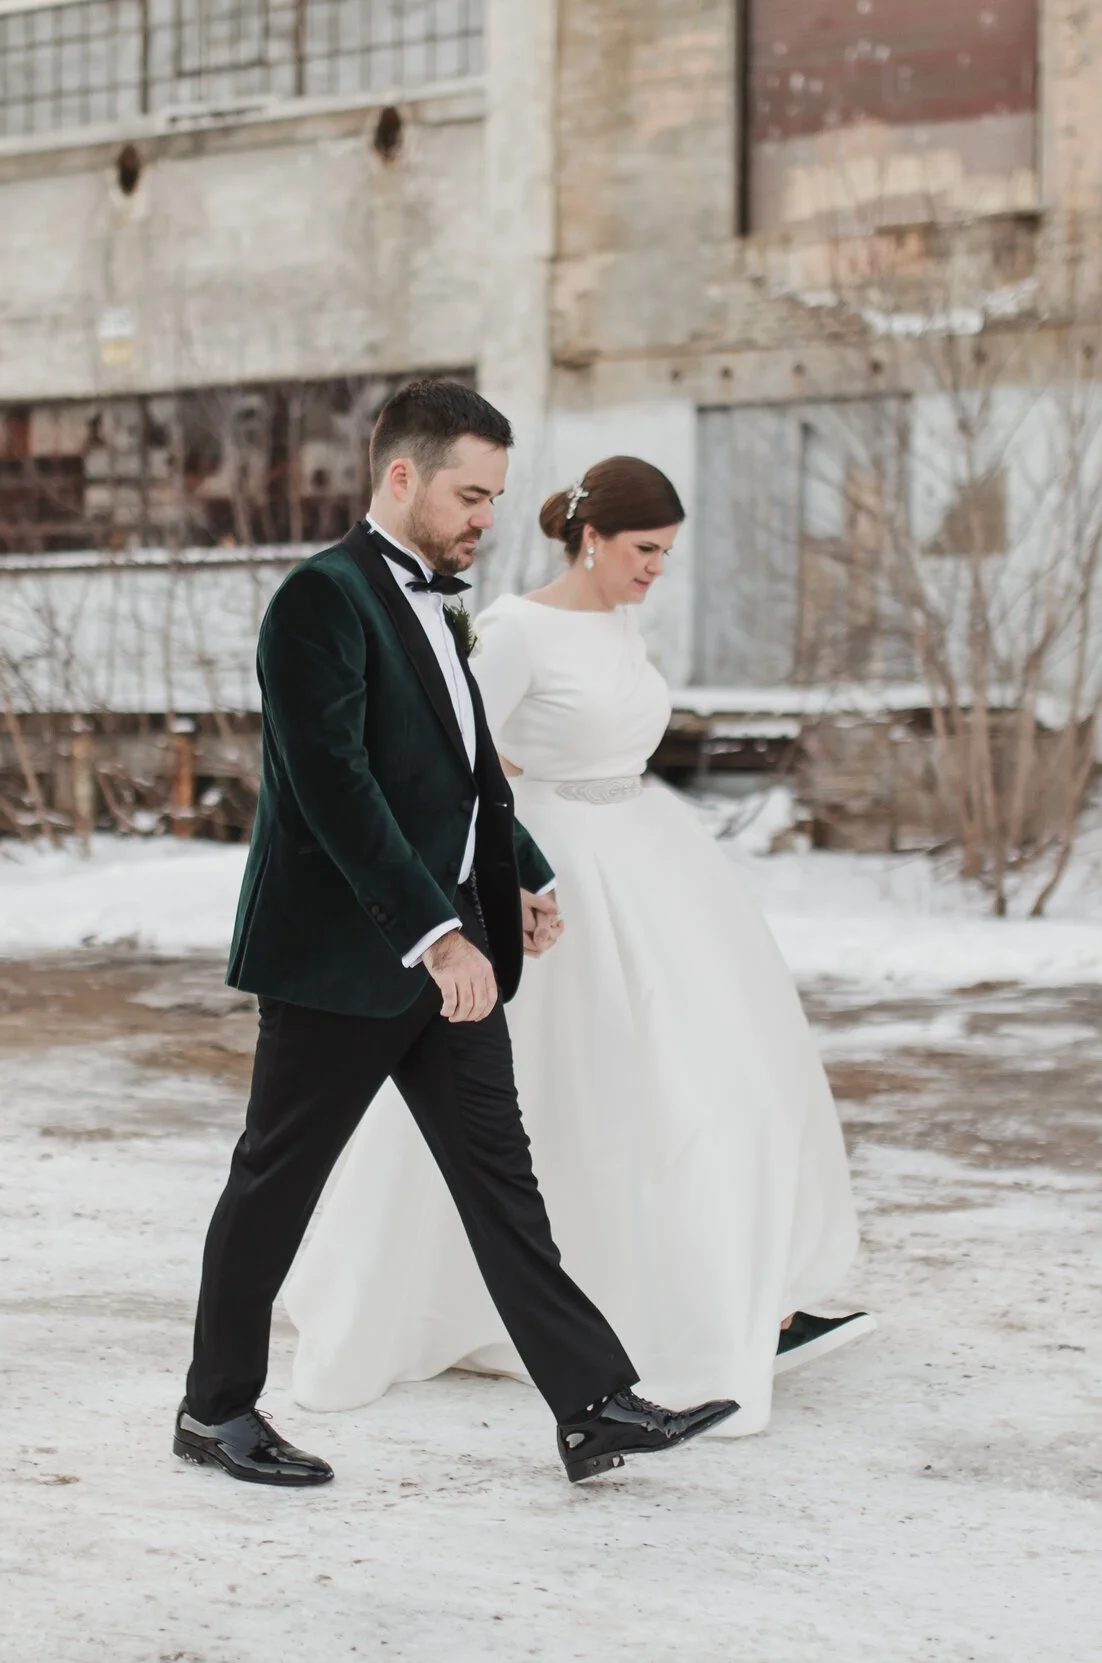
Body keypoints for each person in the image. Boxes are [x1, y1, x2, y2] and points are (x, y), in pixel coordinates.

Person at [177, 385, 738, 1488]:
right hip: (343, 959)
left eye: (495, 494)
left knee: (500, 1179)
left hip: (454, 947)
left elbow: (465, 768)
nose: (486, 514)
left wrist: (517, 870)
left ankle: (592, 1402)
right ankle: (214, 1409)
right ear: (402, 477)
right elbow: (336, 790)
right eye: (468, 493)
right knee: (275, 1181)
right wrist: (437, 934)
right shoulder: (317, 601)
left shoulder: (443, 605)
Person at [285, 455, 870, 1436]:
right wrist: (504, 872)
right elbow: (447, 760)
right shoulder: (515, 629)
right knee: (571, 1098)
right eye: (646, 550)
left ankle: (732, 1292)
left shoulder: (616, 617)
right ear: (591, 538)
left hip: (653, 865)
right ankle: (563, 1314)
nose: (656, 570)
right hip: (556, 879)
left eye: (667, 555)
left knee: (704, 1078)